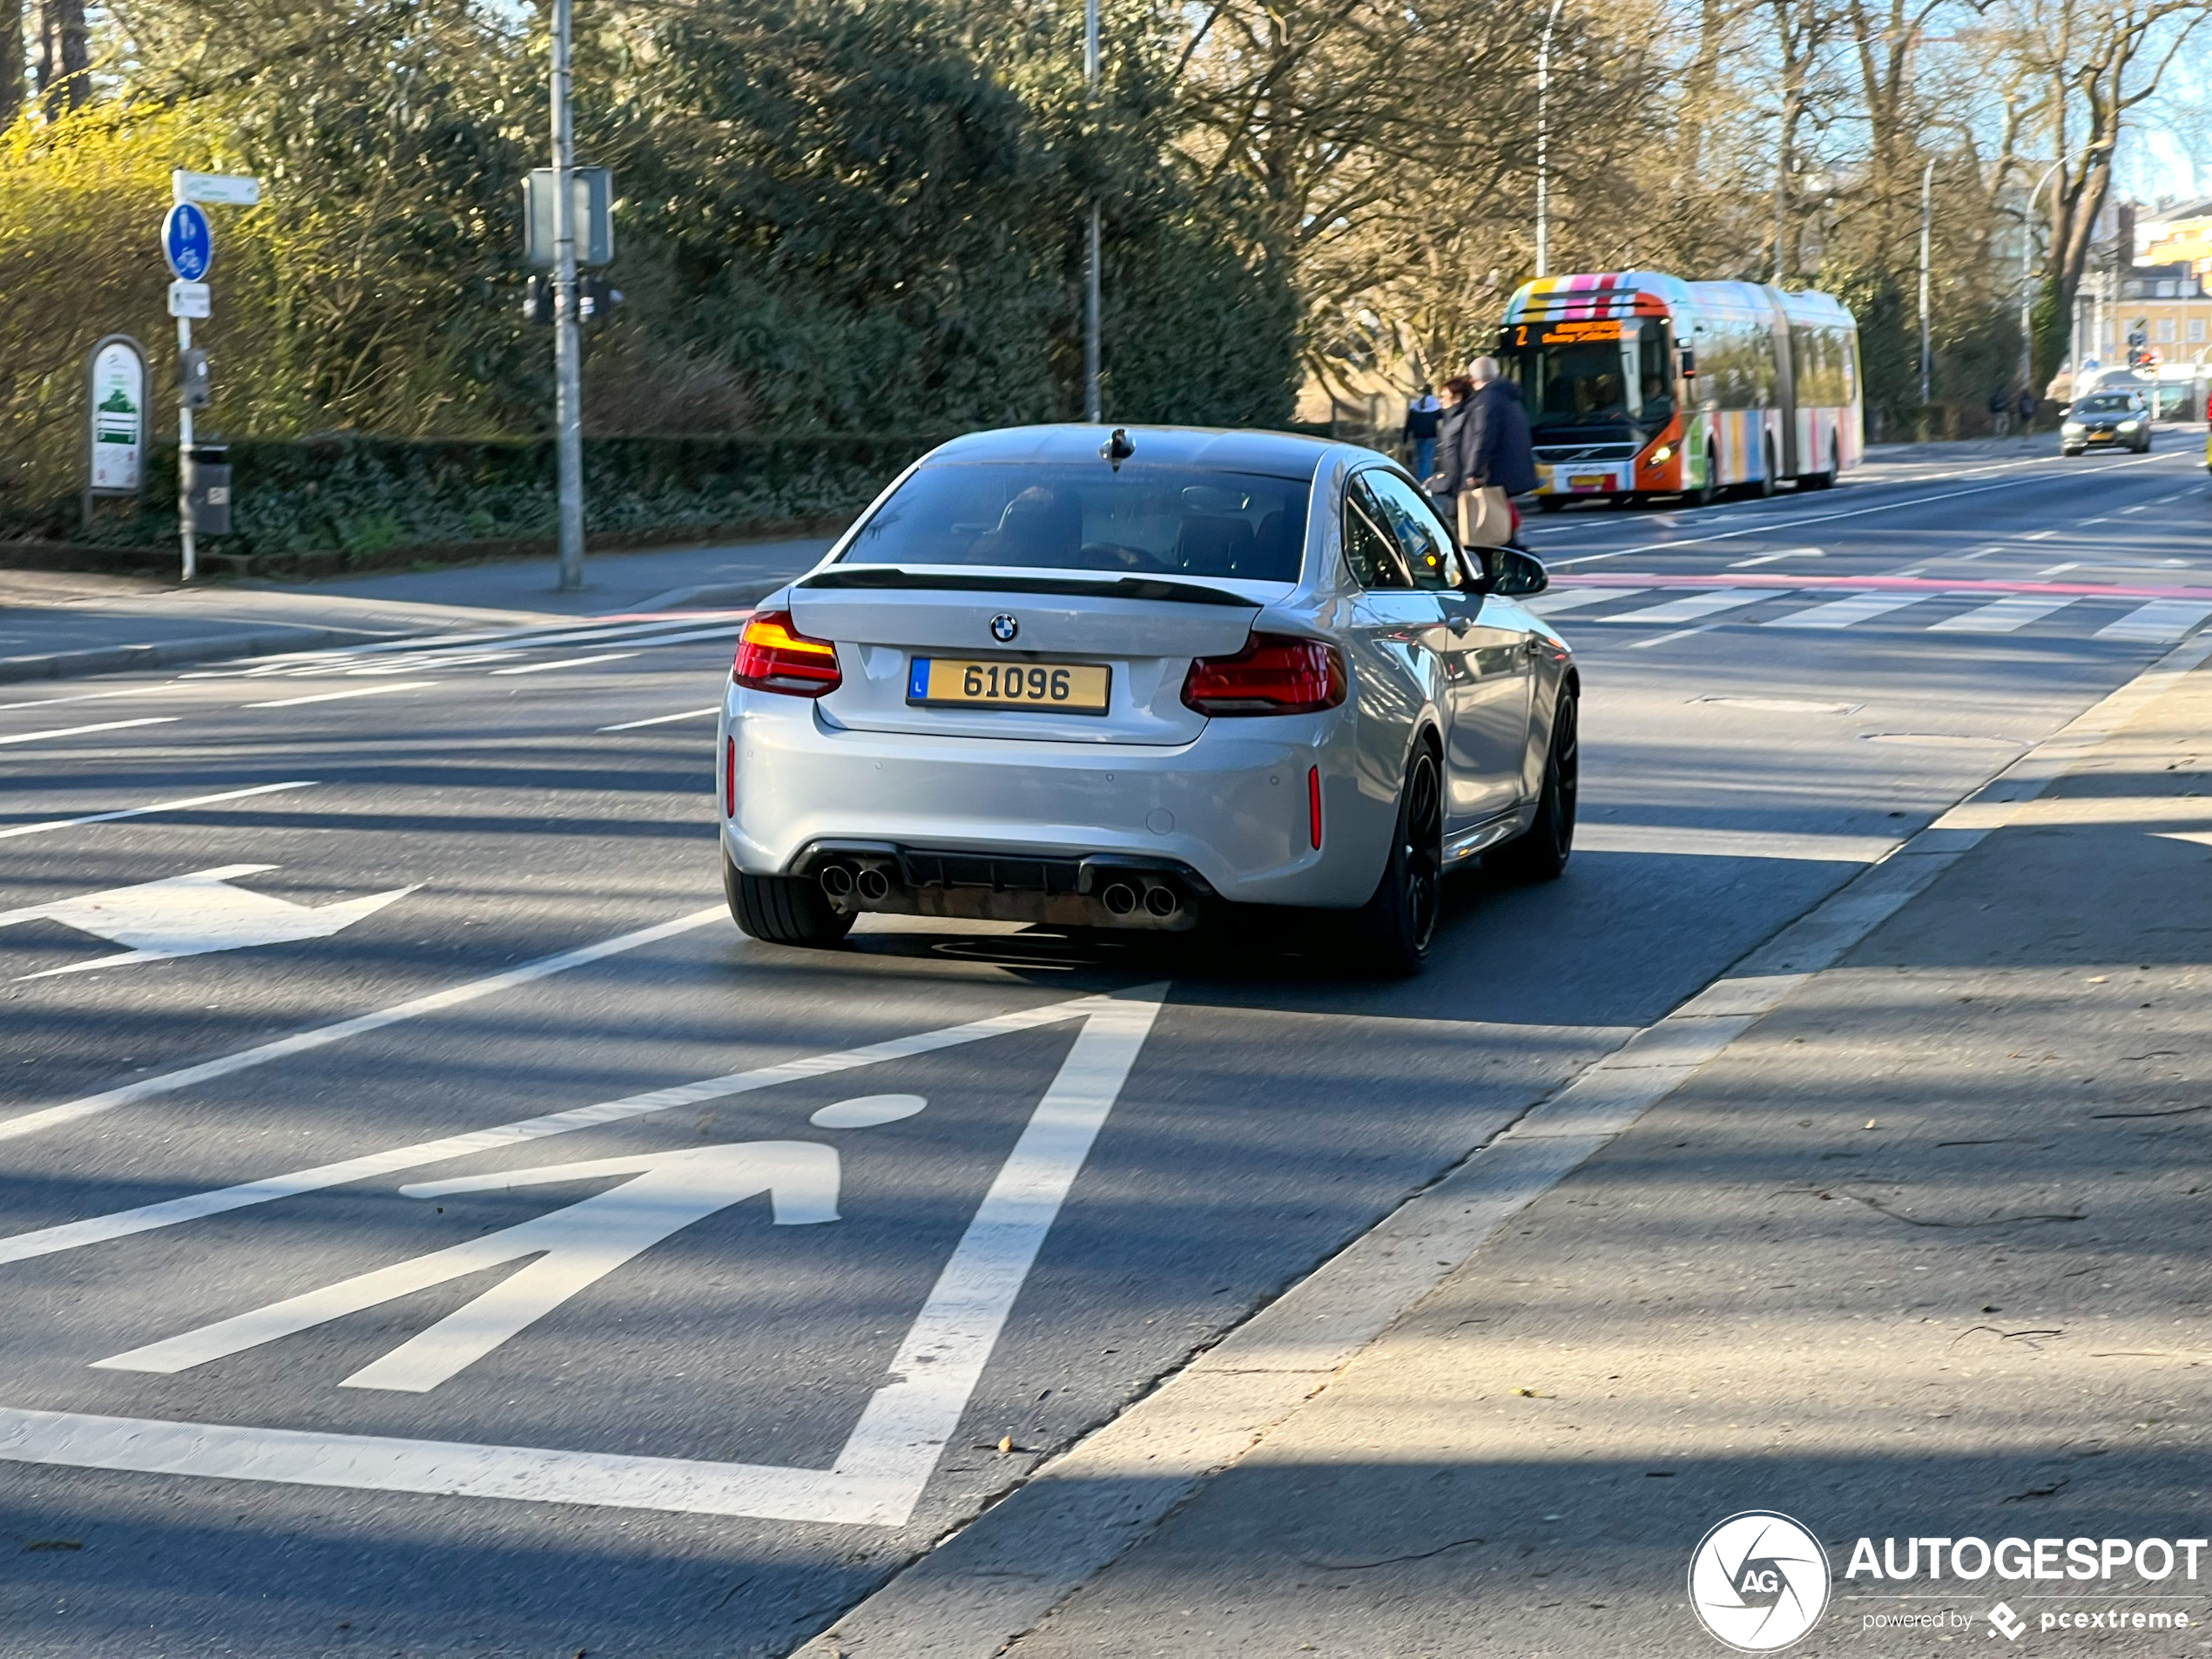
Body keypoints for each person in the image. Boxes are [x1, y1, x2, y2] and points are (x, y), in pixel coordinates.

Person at [1430, 358, 1535, 550]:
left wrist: (1473, 472)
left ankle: (1518, 566)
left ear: (1472, 379)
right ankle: (1516, 564)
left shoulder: (1485, 402)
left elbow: (1482, 437)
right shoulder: (1508, 397)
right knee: (1498, 534)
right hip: (1509, 475)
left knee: (1486, 536)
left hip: (1490, 477)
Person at [1402, 383, 1441, 482]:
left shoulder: (1416, 404)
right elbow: (1441, 416)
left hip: (1417, 435)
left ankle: (1419, 479)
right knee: (1427, 459)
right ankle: (1425, 480)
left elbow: (1409, 423)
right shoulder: (1435, 403)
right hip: (1430, 435)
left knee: (1419, 458)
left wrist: (1405, 438)